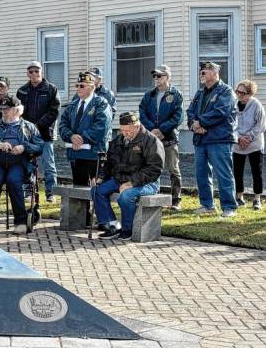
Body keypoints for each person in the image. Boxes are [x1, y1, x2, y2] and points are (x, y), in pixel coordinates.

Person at [0, 96, 44, 234]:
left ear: (17, 111)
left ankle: (20, 221)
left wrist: (24, 147)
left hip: (19, 164)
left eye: (7, 109)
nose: (3, 112)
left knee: (13, 181)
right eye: (2, 109)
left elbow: (40, 147)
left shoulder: (29, 127)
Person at [92, 112, 165, 240]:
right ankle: (112, 226)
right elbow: (108, 163)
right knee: (97, 190)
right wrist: (100, 177)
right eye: (122, 130)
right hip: (121, 179)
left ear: (137, 126)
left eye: (128, 131)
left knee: (125, 196)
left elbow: (154, 169)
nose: (125, 134)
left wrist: (131, 183)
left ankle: (127, 229)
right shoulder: (118, 141)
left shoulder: (151, 141)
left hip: (146, 183)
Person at [186, 61, 238, 217]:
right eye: (201, 71)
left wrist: (200, 122)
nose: (201, 74)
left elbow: (221, 112)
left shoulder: (226, 91)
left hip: (219, 139)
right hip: (201, 139)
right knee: (201, 173)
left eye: (204, 72)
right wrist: (193, 124)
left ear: (215, 73)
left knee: (223, 173)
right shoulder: (200, 93)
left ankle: (229, 207)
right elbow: (190, 111)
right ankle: (207, 205)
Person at [138, 64, 184, 210]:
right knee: (151, 167)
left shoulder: (176, 94)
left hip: (169, 138)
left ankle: (175, 200)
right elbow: (142, 113)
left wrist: (162, 129)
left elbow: (178, 116)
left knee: (173, 169)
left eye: (159, 76)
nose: (156, 79)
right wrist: (152, 129)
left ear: (167, 77)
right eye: (154, 76)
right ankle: (152, 195)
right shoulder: (149, 95)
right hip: (152, 138)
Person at [16, 60, 60, 203]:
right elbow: (18, 113)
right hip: (28, 135)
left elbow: (54, 111)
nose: (34, 74)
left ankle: (50, 193)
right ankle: (28, 191)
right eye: (31, 71)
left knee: (48, 165)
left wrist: (37, 125)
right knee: (27, 164)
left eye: (37, 71)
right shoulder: (22, 91)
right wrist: (28, 128)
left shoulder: (51, 89)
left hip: (45, 134)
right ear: (27, 73)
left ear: (42, 72)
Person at [59, 72, 112, 187]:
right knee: (79, 190)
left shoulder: (101, 103)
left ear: (92, 87)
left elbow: (102, 126)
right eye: (77, 85)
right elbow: (62, 124)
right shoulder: (72, 105)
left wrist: (82, 138)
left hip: (93, 153)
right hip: (76, 153)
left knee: (96, 191)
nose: (78, 88)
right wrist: (71, 136)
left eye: (82, 85)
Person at [232, 79, 265, 210]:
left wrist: (248, 137)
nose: (239, 95)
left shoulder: (256, 105)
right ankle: (239, 197)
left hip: (254, 144)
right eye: (237, 92)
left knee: (257, 172)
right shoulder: (234, 105)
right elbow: (230, 123)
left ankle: (257, 199)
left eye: (243, 93)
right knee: (237, 172)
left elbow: (261, 125)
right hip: (238, 144)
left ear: (250, 94)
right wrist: (239, 138)